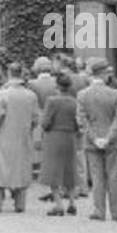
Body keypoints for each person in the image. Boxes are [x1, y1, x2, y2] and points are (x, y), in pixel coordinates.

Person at [0, 64, 39, 214]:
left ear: (9, 73)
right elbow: (35, 119)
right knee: (20, 167)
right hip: (23, 136)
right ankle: (20, 203)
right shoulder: (31, 95)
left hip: (5, 135)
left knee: (0, 167)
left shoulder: (3, 95)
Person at [77, 58, 117, 221]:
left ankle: (99, 211)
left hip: (92, 141)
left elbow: (82, 120)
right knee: (114, 177)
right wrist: (108, 137)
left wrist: (95, 138)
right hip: (112, 141)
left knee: (97, 178)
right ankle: (116, 212)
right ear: (103, 74)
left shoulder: (83, 95)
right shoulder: (114, 93)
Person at [40, 72, 78, 216]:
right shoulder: (74, 101)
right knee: (70, 170)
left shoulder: (52, 101)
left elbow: (45, 122)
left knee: (54, 171)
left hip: (54, 137)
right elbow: (78, 123)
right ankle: (72, 202)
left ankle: (59, 204)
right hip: (70, 136)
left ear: (57, 85)